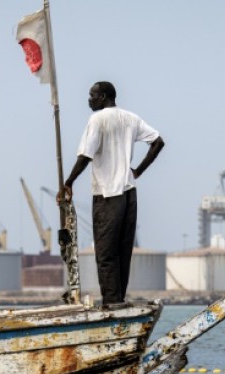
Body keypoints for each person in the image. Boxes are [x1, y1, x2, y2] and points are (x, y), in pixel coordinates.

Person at [62, 81, 165, 308]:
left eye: (92, 95)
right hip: (129, 193)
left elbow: (85, 155)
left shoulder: (97, 119)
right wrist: (137, 171)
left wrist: (69, 182)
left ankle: (111, 303)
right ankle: (118, 300)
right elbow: (158, 142)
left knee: (106, 252)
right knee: (123, 251)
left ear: (103, 97)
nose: (89, 100)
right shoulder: (130, 118)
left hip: (108, 194)